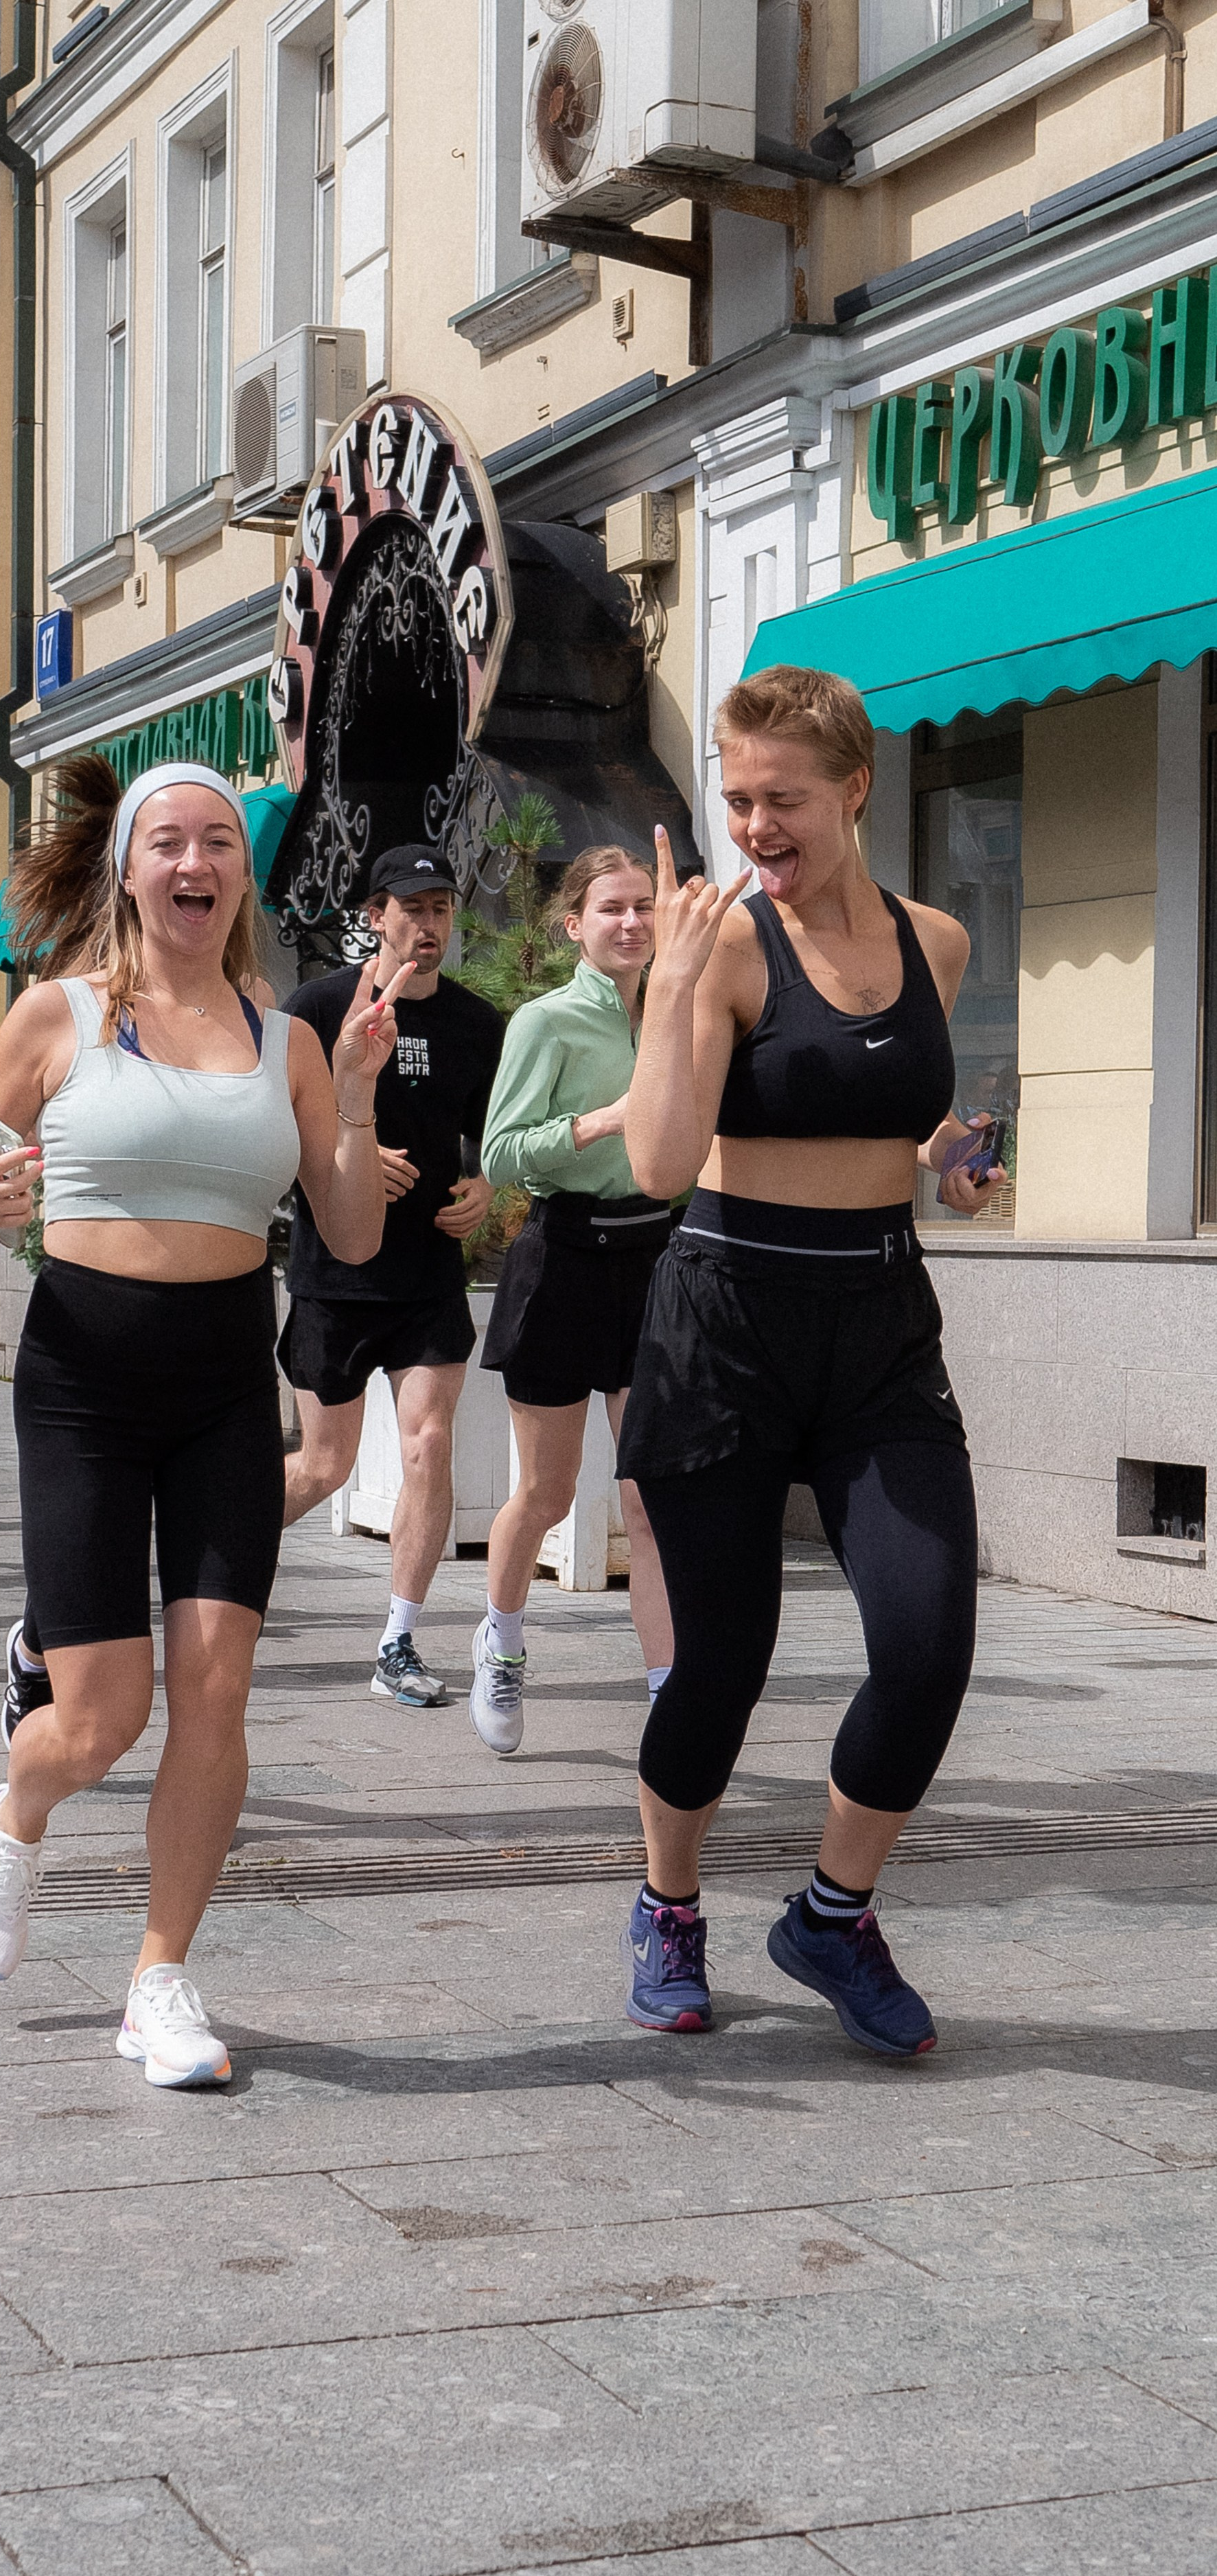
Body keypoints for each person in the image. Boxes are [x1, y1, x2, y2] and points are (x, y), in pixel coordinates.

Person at [0, 755, 403, 2091]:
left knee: (215, 1691)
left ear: (239, 878)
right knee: (102, 1717)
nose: (193, 865)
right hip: (81, 1380)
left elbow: (353, 1230)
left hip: (219, 1388)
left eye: (217, 845)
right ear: (130, 869)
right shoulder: (56, 1014)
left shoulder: (288, 1042)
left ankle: (160, 1977)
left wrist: (360, 1088)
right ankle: (17, 1811)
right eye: (169, 843)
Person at [616, 663, 1008, 2054]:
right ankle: (668, 1905)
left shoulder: (937, 941)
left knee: (925, 1642)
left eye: (782, 799)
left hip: (879, 1331)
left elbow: (884, 1113)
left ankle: (831, 1914)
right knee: (719, 1669)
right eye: (736, 800)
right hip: (723, 1326)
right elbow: (662, 1160)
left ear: (853, 788)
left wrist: (943, 1162)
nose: (755, 827)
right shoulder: (721, 946)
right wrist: (669, 986)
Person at [279, 845, 504, 1708]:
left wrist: (487, 1184)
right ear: (374, 915)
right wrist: (351, 1156)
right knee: (323, 1466)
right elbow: (281, 1134)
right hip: (335, 1274)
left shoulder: (476, 1023)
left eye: (442, 907)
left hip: (426, 1274)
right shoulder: (317, 1007)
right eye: (411, 908)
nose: (429, 924)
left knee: (430, 1442)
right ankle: (215, 1578)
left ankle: (398, 1640)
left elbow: (498, 1137)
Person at [472, 849, 675, 1753]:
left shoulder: (678, 1015)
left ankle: (671, 1695)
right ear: (574, 927)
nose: (631, 922)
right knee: (548, 1490)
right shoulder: (545, 1023)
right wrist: (604, 1119)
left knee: (651, 1498)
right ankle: (502, 1642)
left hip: (657, 1258)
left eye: (644, 906)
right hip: (563, 1259)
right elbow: (501, 1156)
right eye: (612, 909)